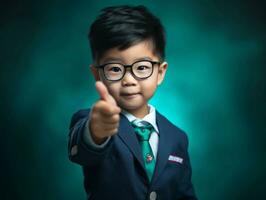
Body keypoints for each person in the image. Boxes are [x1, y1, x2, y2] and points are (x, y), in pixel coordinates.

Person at [68, 5, 197, 200]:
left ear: (160, 73)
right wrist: (95, 132)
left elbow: (184, 194)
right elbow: (83, 152)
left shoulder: (177, 137)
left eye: (142, 67)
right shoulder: (93, 120)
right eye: (114, 69)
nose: (129, 80)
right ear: (97, 75)